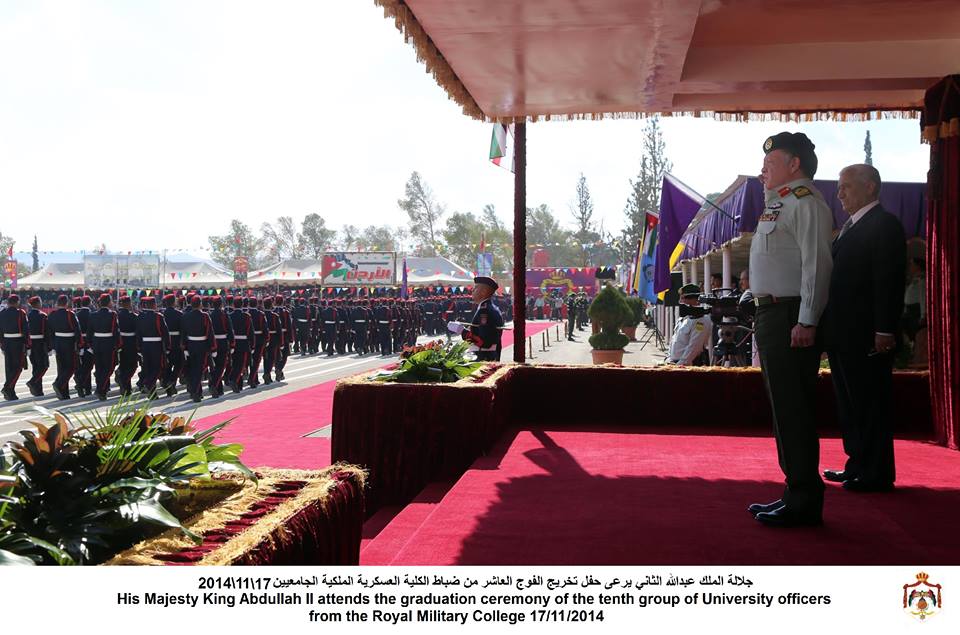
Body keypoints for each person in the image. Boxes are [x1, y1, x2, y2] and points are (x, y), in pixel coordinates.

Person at [747, 131, 833, 527]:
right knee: (783, 407)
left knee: (794, 408)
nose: (763, 168)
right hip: (772, 313)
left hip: (791, 316)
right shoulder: (778, 203)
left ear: (794, 164)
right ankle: (794, 490)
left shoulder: (806, 203)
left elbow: (817, 264)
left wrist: (808, 320)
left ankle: (804, 498)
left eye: (772, 161)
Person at [821, 164, 905, 492]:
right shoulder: (852, 227)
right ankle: (856, 464)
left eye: (847, 187)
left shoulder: (884, 224)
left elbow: (887, 281)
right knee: (851, 404)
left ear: (870, 187)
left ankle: (877, 472)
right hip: (845, 334)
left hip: (868, 334)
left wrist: (884, 329)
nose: (839, 193)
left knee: (871, 404)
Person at [449, 276, 504, 361]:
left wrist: (462, 331)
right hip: (488, 355)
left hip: (484, 357)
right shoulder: (488, 307)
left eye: (475, 289)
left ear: (484, 292)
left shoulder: (484, 311)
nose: (472, 291)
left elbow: (484, 342)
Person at [665, 284, 712, 365]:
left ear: (694, 299)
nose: (680, 301)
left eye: (683, 298)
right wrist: (669, 358)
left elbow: (695, 346)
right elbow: (674, 340)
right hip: (676, 363)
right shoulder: (684, 318)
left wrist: (681, 364)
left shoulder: (701, 319)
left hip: (690, 364)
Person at [181, 294, 216, 402]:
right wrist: (213, 348)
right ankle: (195, 392)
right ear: (200, 304)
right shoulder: (205, 316)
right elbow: (210, 333)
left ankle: (196, 391)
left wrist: (185, 348)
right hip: (202, 346)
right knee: (199, 370)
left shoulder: (186, 316)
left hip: (191, 345)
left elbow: (183, 333)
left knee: (193, 369)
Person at [47, 294, 82, 400]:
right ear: (67, 303)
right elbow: (77, 330)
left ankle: (63, 393)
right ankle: (59, 384)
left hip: (58, 343)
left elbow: (49, 331)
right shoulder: (70, 314)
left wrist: (52, 345)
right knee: (71, 367)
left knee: (61, 368)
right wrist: (79, 344)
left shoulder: (52, 314)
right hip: (69, 343)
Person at [88, 293, 121, 401]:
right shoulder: (112, 314)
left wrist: (90, 344)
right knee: (108, 367)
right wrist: (118, 344)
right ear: (109, 302)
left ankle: (103, 388)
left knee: (99, 367)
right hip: (108, 343)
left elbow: (89, 332)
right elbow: (115, 331)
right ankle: (100, 389)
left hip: (97, 343)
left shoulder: (93, 314)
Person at [135, 296, 170, 396]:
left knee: (148, 367)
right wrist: (167, 347)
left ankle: (152, 394)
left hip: (145, 345)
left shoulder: (140, 317)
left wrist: (138, 347)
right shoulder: (158, 316)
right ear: (153, 305)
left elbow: (138, 333)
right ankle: (148, 384)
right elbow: (165, 333)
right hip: (156, 345)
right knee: (158, 367)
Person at [0, 294, 30, 401]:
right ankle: (7, 388)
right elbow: (26, 330)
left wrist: (2, 344)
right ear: (17, 302)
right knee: (18, 367)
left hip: (6, 343)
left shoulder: (2, 313)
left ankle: (11, 392)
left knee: (9, 368)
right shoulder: (21, 313)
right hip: (18, 343)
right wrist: (28, 345)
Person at [26, 296, 51, 397]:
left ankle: (37, 390)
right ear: (37, 304)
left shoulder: (27, 315)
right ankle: (33, 382)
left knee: (36, 366)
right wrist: (49, 347)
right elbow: (47, 332)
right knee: (44, 365)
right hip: (40, 343)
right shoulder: (42, 315)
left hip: (31, 342)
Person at [228, 296, 253, 392]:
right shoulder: (246, 316)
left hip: (233, 343)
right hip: (243, 343)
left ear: (234, 305)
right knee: (241, 365)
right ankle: (233, 380)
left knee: (235, 364)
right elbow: (250, 332)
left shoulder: (230, 315)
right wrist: (252, 344)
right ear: (242, 304)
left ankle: (239, 384)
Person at [116, 295, 139, 396]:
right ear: (129, 304)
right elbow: (138, 331)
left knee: (124, 365)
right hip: (131, 342)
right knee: (133, 365)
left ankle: (126, 388)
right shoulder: (133, 316)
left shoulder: (117, 315)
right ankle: (123, 380)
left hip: (121, 342)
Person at [161, 293, 184, 396]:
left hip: (165, 342)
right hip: (176, 341)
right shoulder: (179, 314)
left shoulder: (162, 314)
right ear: (173, 302)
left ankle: (167, 383)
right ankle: (172, 381)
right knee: (179, 363)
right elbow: (183, 329)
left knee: (168, 365)